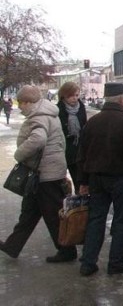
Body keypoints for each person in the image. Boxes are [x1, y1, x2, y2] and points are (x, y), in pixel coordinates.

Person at [76, 82, 123, 276]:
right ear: (121, 100)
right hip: (120, 179)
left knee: (95, 219)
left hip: (96, 179)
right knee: (122, 221)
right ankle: (117, 263)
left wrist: (83, 181)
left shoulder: (92, 122)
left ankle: (88, 263)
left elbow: (82, 155)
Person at [0, 85, 77, 262]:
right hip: (47, 172)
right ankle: (12, 246)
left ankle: (67, 251)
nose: (19, 106)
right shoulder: (49, 114)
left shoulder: (39, 117)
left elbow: (38, 139)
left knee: (52, 215)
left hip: (45, 175)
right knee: (29, 212)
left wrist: (19, 154)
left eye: (21, 103)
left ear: (28, 102)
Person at [56, 81, 87, 194]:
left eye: (76, 95)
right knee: (62, 182)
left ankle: (80, 203)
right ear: (64, 95)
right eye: (71, 95)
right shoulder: (58, 109)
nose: (74, 98)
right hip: (64, 148)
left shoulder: (81, 107)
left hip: (79, 148)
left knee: (79, 179)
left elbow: (85, 126)